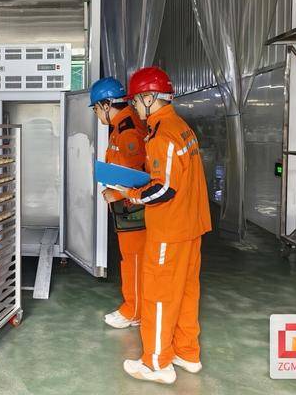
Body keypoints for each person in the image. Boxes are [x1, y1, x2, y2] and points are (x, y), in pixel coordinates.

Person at [115, 67, 211, 385]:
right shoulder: (182, 128)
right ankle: (187, 352)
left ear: (149, 97)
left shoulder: (162, 135)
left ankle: (156, 362)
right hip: (191, 227)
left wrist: (129, 193)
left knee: (158, 295)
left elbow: (163, 189)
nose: (134, 107)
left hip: (170, 230)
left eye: (136, 100)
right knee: (185, 293)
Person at [89, 77, 147, 329]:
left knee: (134, 261)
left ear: (106, 104)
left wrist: (118, 195)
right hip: (126, 207)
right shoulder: (120, 126)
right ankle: (136, 308)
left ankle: (133, 311)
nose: (96, 114)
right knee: (131, 259)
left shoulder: (128, 129)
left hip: (133, 208)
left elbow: (140, 174)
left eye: (95, 108)